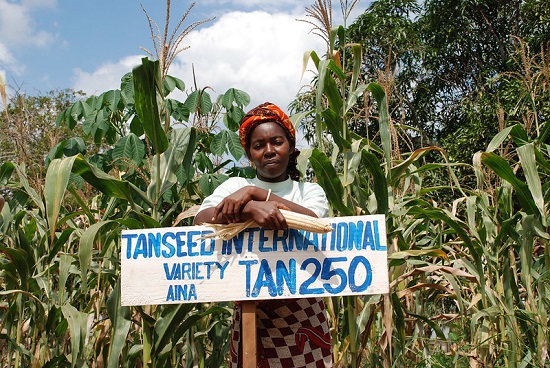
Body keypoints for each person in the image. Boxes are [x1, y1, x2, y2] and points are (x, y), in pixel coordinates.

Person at [194, 102, 333, 368]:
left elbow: (312, 221)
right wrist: (250, 208)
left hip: (303, 311)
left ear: (290, 147)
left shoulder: (309, 191)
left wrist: (258, 194)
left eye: (277, 142)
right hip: (250, 309)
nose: (268, 151)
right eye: (258, 146)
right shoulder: (234, 186)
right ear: (249, 154)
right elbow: (201, 220)